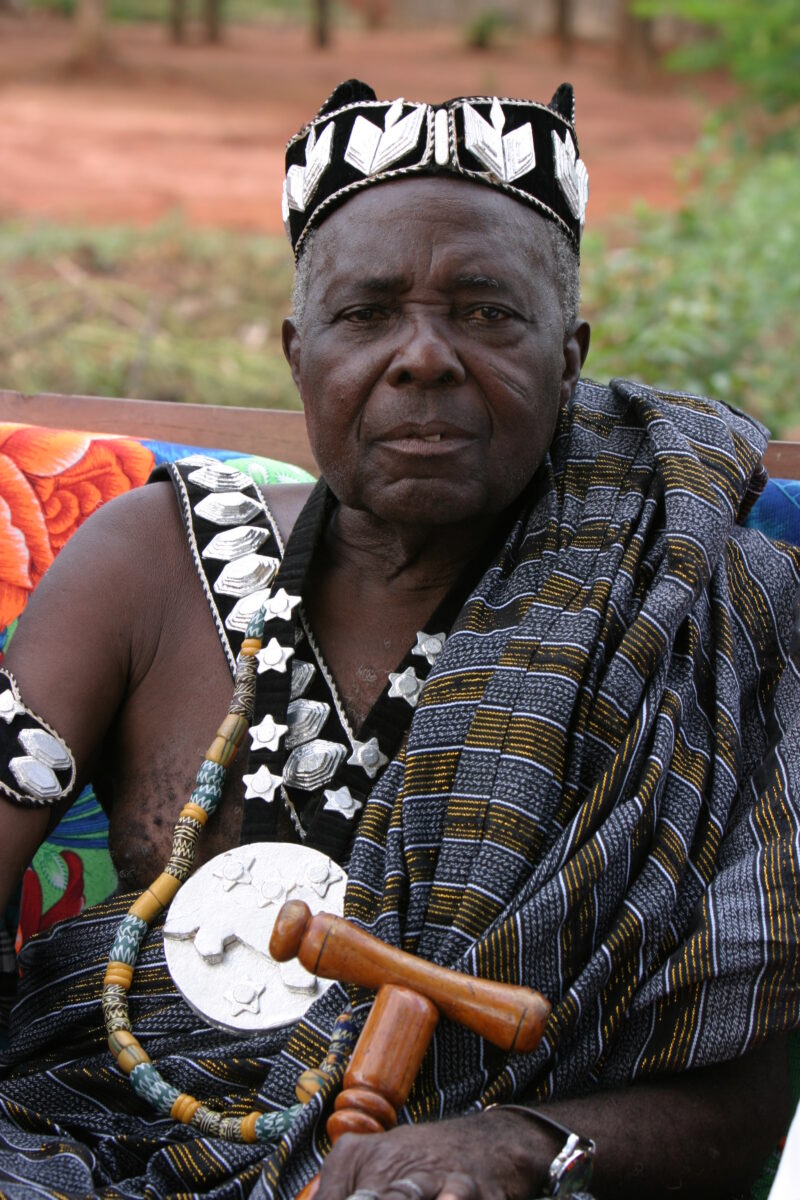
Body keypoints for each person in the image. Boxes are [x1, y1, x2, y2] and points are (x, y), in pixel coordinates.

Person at [0, 79, 798, 1200]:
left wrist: (519, 1147)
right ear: (296, 353)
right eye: (366, 314)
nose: (422, 357)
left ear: (568, 357)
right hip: (69, 1143)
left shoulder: (686, 609)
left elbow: (744, 1114)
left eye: (484, 312)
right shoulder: (151, 563)